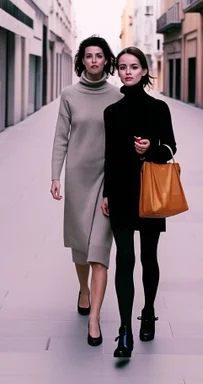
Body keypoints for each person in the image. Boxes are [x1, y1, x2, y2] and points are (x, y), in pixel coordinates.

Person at [102, 46, 177, 358]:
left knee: (148, 257)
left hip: (150, 191)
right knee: (125, 259)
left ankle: (147, 312)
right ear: (117, 71)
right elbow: (109, 156)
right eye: (122, 66)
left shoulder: (159, 109)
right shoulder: (111, 112)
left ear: (145, 70)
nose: (127, 71)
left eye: (134, 66)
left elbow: (170, 148)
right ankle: (124, 331)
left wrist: (149, 149)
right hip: (120, 191)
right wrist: (106, 191)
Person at [50, 35, 122, 347]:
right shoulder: (69, 94)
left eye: (99, 56)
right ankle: (83, 290)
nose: (94, 61)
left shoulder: (118, 96)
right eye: (89, 56)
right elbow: (60, 138)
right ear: (83, 60)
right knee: (81, 245)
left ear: (107, 60)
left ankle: (94, 319)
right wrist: (55, 175)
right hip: (78, 178)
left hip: (108, 180)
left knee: (100, 252)